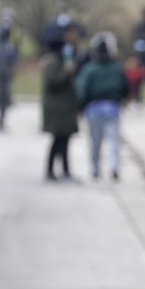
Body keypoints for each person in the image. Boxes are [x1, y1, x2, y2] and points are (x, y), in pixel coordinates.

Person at [75, 32, 129, 181]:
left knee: (95, 142)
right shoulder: (116, 68)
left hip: (93, 109)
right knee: (114, 141)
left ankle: (95, 169)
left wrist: (80, 105)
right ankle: (114, 166)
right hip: (113, 108)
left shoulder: (89, 69)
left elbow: (82, 89)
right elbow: (125, 86)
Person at [41, 35, 79, 181]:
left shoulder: (58, 62)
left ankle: (65, 170)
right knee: (58, 141)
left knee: (64, 142)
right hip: (58, 112)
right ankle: (51, 170)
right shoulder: (53, 64)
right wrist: (66, 72)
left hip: (64, 110)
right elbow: (53, 82)